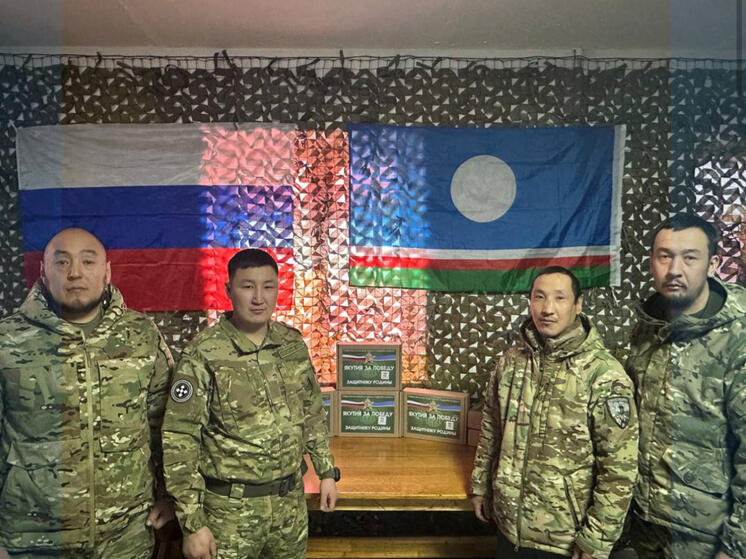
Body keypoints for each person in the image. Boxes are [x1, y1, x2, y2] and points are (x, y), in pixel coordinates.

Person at [0, 227, 174, 559]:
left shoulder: (141, 335)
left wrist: (170, 496)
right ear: (43, 272)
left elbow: (166, 426)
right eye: (62, 262)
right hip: (32, 540)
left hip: (125, 538)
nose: (75, 273)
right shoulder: (8, 340)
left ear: (106, 272)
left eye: (87, 261)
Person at [162, 248, 338, 559]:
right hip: (229, 514)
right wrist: (192, 523)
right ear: (229, 290)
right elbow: (180, 438)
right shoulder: (204, 353)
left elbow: (311, 413)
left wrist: (326, 472)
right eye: (247, 286)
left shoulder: (291, 344)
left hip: (289, 508)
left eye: (268, 286)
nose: (259, 298)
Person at [471, 266, 638, 559]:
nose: (547, 309)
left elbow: (619, 469)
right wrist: (480, 486)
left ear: (578, 305)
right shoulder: (511, 363)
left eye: (560, 298)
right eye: (540, 297)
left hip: (566, 541)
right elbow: (491, 429)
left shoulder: (604, 374)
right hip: (508, 528)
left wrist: (596, 538)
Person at [626, 214, 746, 559]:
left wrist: (736, 546)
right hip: (647, 524)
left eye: (690, 257)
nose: (675, 269)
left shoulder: (736, 339)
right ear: (651, 262)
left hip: (707, 537)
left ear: (713, 263)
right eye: (664, 256)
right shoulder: (648, 328)